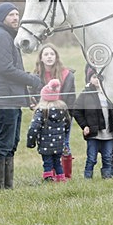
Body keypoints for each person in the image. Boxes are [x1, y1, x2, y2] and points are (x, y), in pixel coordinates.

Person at [0, 3, 43, 190]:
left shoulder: (11, 36)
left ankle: (7, 186)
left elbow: (13, 71)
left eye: (17, 14)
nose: (15, 18)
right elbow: (5, 69)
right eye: (11, 15)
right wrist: (32, 80)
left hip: (12, 96)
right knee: (3, 142)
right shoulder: (1, 36)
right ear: (2, 17)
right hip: (2, 97)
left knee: (12, 142)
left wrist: (27, 97)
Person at [72, 66, 113, 179]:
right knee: (91, 158)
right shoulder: (86, 94)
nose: (97, 79)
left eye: (100, 77)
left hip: (109, 134)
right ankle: (87, 177)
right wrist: (84, 126)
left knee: (107, 157)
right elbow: (76, 110)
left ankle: (106, 177)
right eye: (94, 76)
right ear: (89, 79)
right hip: (94, 134)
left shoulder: (110, 94)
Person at [31, 43, 76, 179]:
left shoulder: (67, 75)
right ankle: (50, 173)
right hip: (44, 115)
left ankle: (65, 175)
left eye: (52, 54)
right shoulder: (36, 76)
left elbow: (70, 98)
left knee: (64, 144)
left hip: (62, 115)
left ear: (56, 57)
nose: (49, 57)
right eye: (46, 54)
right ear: (41, 58)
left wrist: (67, 116)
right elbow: (32, 95)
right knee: (47, 144)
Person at [27, 79, 71, 182]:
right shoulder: (62, 108)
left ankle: (48, 179)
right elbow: (67, 125)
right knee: (57, 162)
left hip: (45, 144)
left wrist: (31, 142)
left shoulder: (41, 110)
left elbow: (34, 128)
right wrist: (64, 138)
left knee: (47, 162)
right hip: (59, 143)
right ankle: (61, 178)